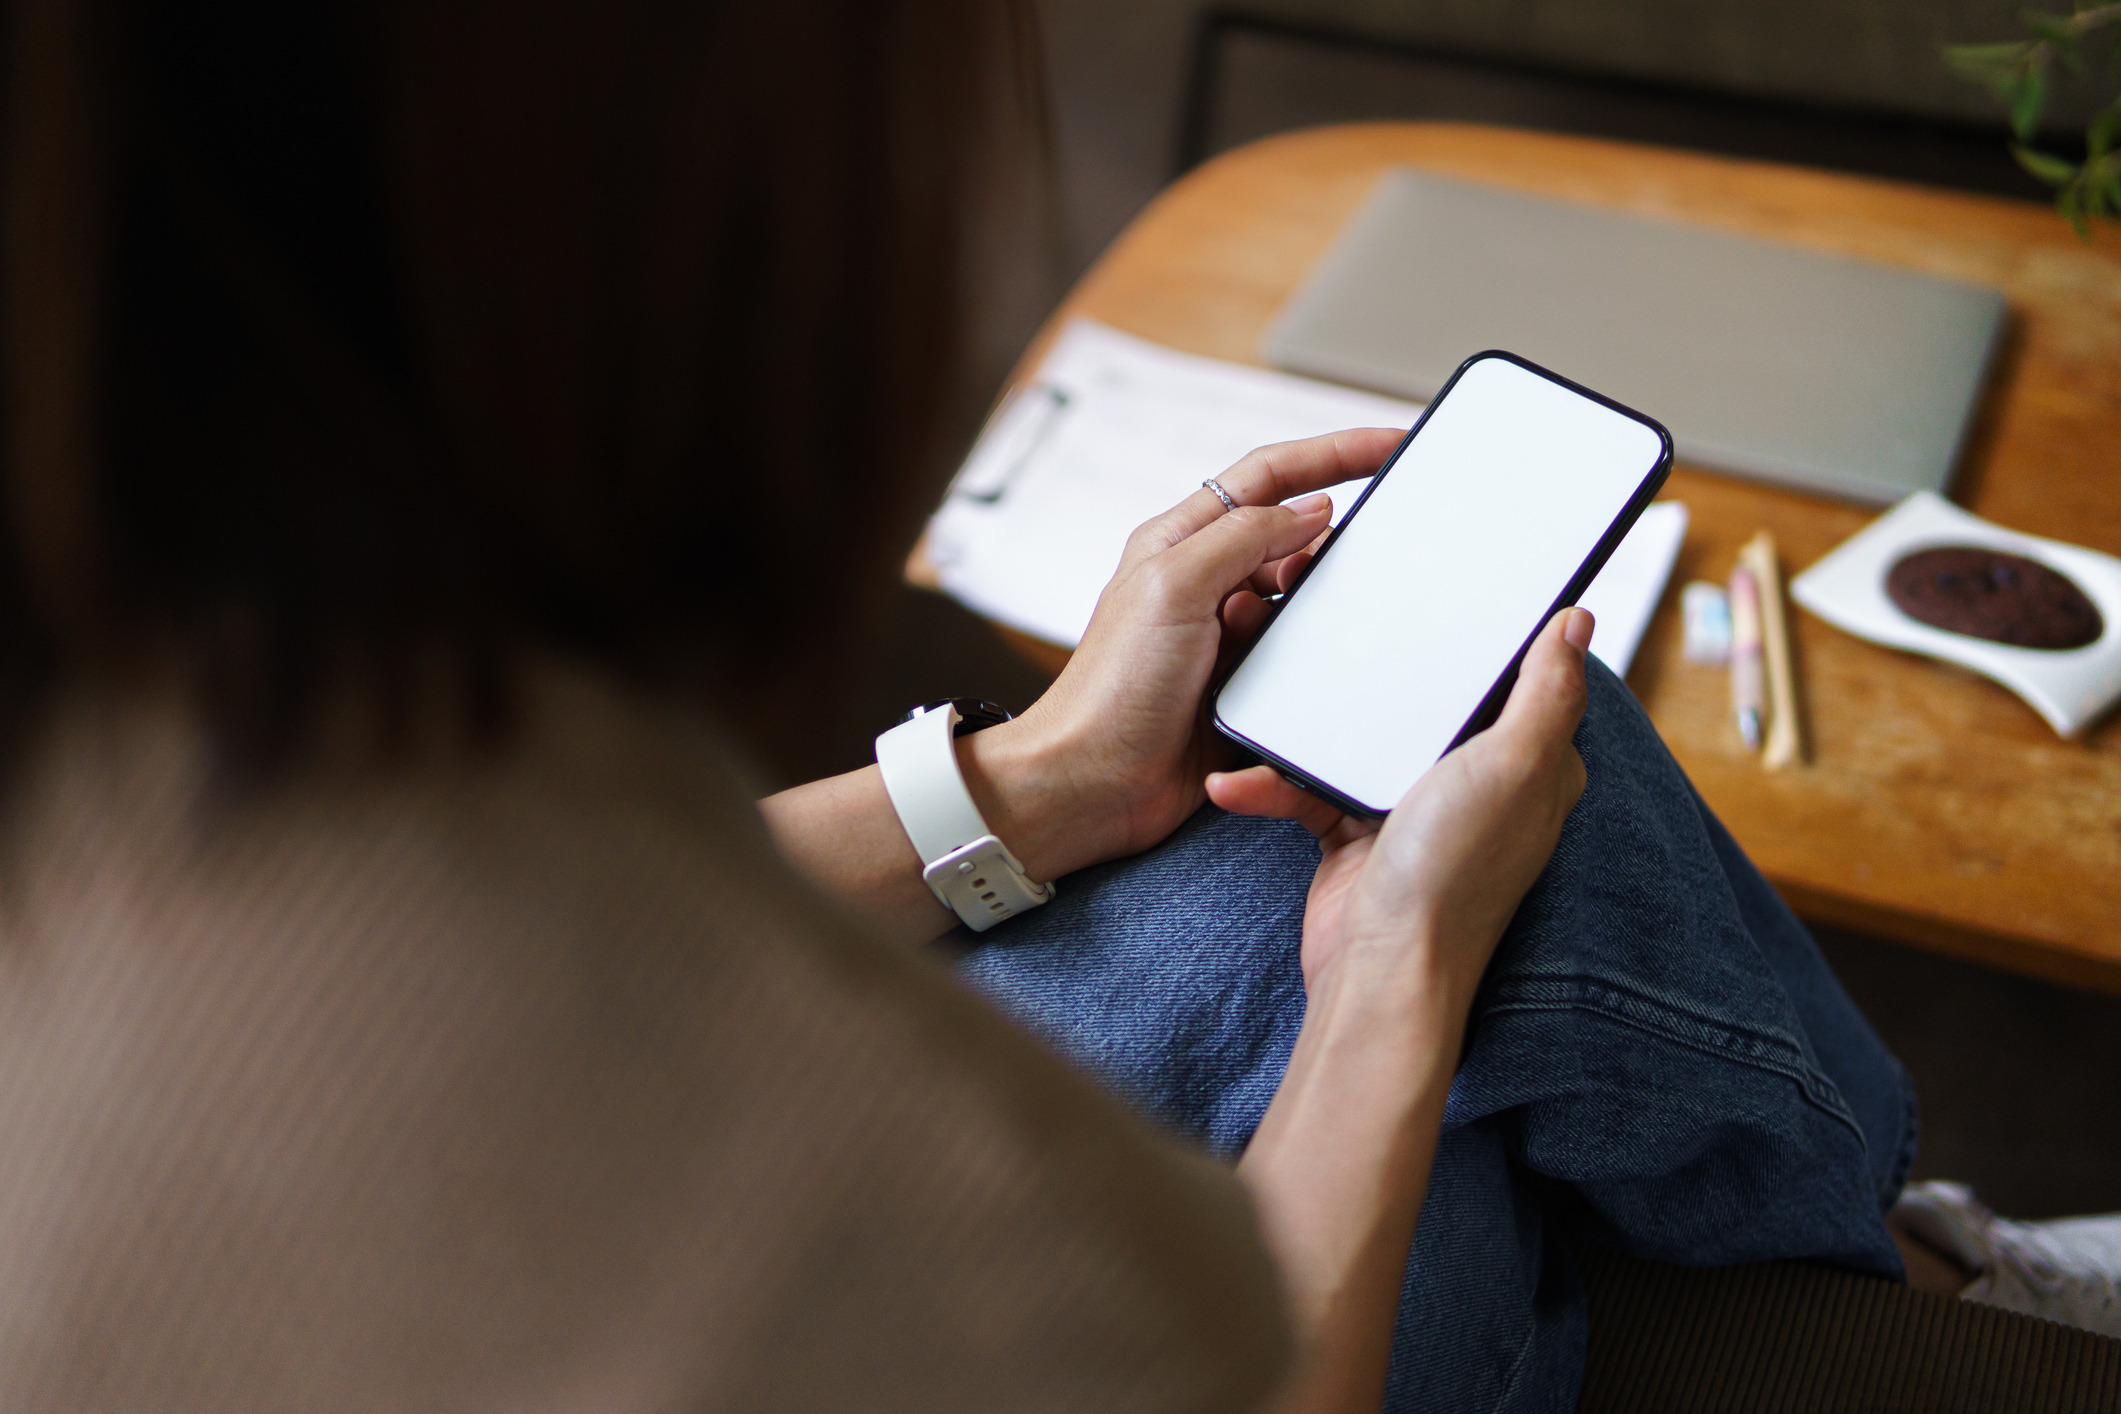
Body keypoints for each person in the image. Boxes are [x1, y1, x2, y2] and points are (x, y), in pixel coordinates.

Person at [3, 2, 2080, 1412]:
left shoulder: (156, 800)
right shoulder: (954, 1239)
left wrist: (1022, 779)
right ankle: (1933, 1288)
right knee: (1487, 807)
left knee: (1284, 807)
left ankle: (1918, 1259)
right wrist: (1388, 983)